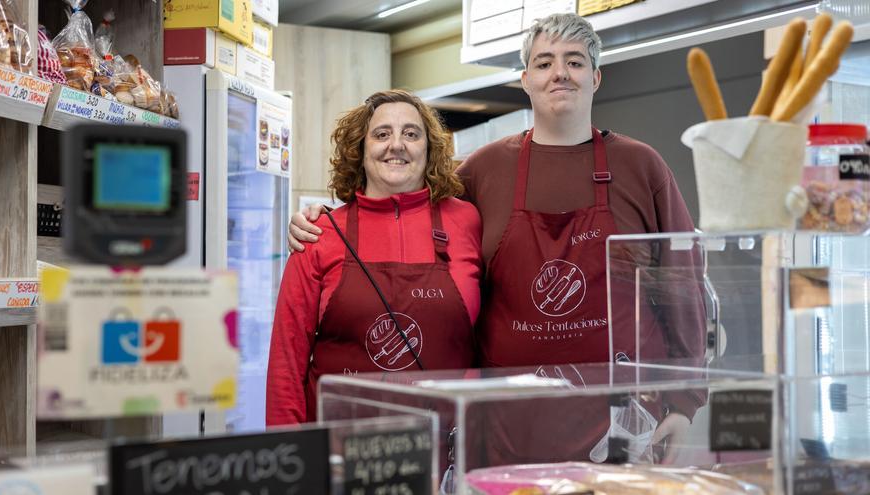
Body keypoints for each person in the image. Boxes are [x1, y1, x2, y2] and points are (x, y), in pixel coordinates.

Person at [286, 14, 706, 461]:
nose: (560, 73)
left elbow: (683, 285)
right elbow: (400, 203)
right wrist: (326, 217)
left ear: (596, 77)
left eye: (575, 62)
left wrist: (684, 402)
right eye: (544, 63)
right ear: (525, 79)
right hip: (509, 421)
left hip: (624, 419)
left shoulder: (642, 167)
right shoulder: (484, 170)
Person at [266, 90, 483, 426]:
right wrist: (290, 450)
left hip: (445, 440)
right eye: (382, 134)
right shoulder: (320, 234)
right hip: (340, 442)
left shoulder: (467, 221)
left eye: (411, 134)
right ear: (360, 149)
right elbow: (286, 361)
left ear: (429, 149)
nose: (396, 145)